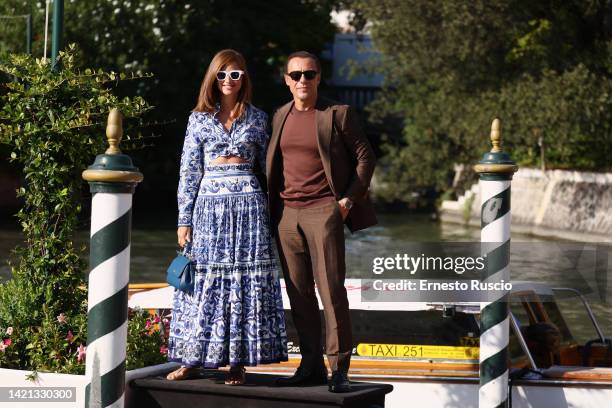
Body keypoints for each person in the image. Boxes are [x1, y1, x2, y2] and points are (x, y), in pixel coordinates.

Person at [166, 49, 288, 385]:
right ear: (213, 78)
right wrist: (183, 219)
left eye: (235, 74)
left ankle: (237, 361)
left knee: (242, 282)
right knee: (201, 281)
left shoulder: (260, 118)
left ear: (244, 78)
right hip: (209, 208)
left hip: (249, 209)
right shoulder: (199, 119)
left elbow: (271, 169)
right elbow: (189, 171)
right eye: (222, 74)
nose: (228, 80)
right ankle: (191, 358)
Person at [266, 51, 377, 392]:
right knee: (299, 296)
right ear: (286, 80)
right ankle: (310, 365)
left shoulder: (336, 114)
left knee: (331, 292)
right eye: (296, 75)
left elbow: (365, 157)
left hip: (323, 212)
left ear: (318, 78)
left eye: (309, 74)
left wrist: (346, 201)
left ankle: (339, 368)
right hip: (286, 216)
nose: (302, 80)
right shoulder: (278, 115)